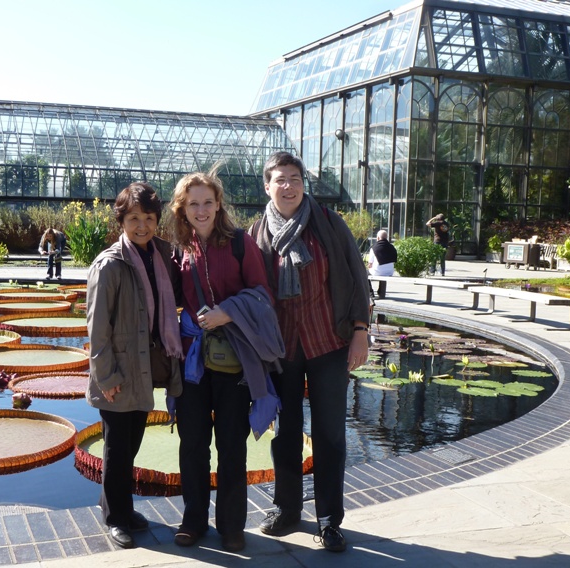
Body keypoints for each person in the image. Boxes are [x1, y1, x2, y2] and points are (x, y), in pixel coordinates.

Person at [249, 151, 370, 553]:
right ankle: (286, 509)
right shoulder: (256, 234)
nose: (289, 186)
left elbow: (356, 278)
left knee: (330, 434)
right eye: (280, 179)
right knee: (285, 434)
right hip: (282, 349)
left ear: (304, 183)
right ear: (267, 186)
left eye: (295, 178)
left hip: (328, 343)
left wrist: (360, 331)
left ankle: (329, 521)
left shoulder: (329, 224)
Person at [169, 171, 281, 553]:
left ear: (219, 205)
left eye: (208, 202)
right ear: (183, 209)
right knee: (193, 443)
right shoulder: (178, 249)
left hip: (235, 360)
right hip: (194, 362)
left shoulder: (239, 244)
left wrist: (227, 312)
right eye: (193, 204)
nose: (201, 210)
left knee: (232, 444)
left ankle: (232, 525)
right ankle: (193, 520)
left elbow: (262, 293)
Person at [85, 182, 183, 550]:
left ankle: (119, 508)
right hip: (118, 372)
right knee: (116, 448)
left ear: (157, 220)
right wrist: (105, 376)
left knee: (133, 442)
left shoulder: (161, 256)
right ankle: (115, 518)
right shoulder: (109, 264)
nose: (141, 225)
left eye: (148, 218)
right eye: (133, 218)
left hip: (144, 369)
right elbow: (96, 327)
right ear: (121, 221)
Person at [368, 229, 398, 297]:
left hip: (377, 272)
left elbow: (370, 264)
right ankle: (381, 292)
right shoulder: (392, 247)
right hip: (390, 272)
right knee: (383, 270)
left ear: (378, 238)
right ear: (386, 238)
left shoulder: (374, 248)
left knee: (364, 273)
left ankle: (371, 294)